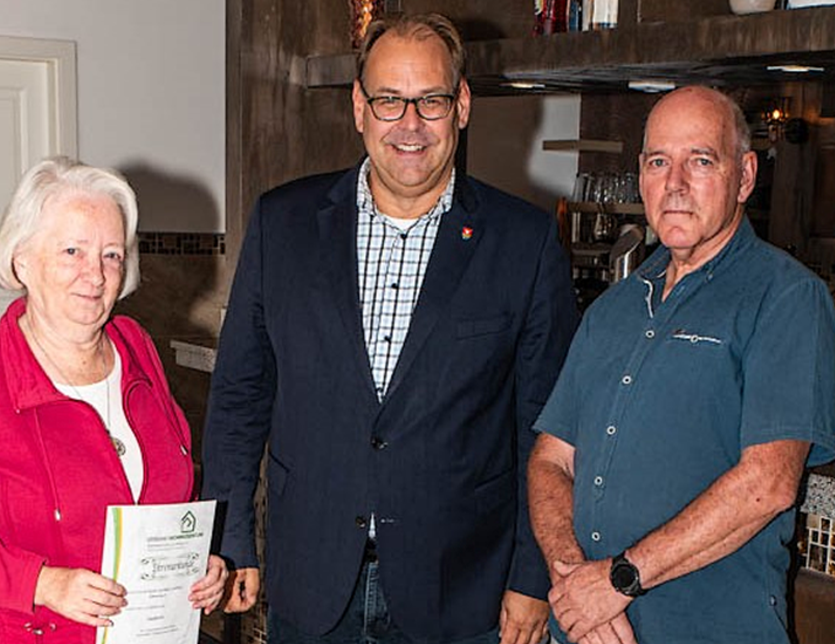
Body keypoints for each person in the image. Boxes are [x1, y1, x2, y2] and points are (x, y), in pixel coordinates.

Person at [202, 12, 578, 644]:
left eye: (429, 100)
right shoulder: (282, 224)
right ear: (358, 106)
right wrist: (233, 536)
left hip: (462, 591)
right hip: (311, 581)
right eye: (388, 100)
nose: (410, 124)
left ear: (460, 105)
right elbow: (240, 398)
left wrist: (533, 576)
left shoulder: (525, 241)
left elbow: (546, 427)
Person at [527, 85, 835, 644]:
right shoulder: (612, 308)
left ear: (744, 176)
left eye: (700, 160)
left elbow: (768, 484)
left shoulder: (787, 298)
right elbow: (551, 460)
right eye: (657, 162)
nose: (674, 185)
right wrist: (575, 583)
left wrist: (617, 581)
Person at [0, 156, 226, 644]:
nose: (95, 275)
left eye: (111, 254)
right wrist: (42, 582)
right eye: (72, 250)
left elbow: (165, 492)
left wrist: (194, 562)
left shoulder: (135, 345)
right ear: (22, 259)